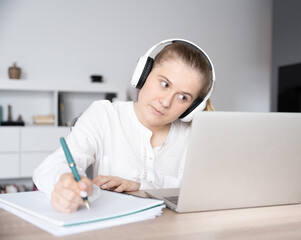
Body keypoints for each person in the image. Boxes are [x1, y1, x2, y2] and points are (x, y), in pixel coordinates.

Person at [33, 39, 216, 213]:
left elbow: (207, 191)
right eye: (164, 84)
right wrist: (65, 182)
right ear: (143, 74)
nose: (166, 102)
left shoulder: (193, 135)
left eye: (183, 97)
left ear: (192, 108)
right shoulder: (104, 115)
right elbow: (50, 166)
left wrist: (140, 186)